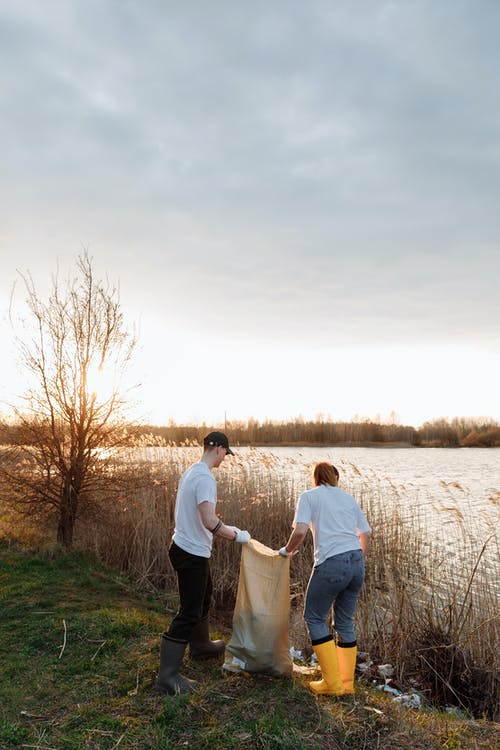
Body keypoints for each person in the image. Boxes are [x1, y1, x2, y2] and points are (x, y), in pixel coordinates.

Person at [156, 431, 251, 695]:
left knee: (204, 597)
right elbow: (210, 521)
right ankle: (167, 677)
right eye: (225, 454)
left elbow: (204, 518)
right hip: (191, 552)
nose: (225, 459)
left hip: (187, 548)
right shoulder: (205, 477)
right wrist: (236, 535)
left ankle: (201, 646)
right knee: (188, 611)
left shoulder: (193, 471)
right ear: (219, 449)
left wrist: (228, 528)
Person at [279, 461, 371, 696]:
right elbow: (366, 533)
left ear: (316, 478)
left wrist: (286, 551)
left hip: (332, 562)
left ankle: (331, 684)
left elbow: (300, 531)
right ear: (335, 478)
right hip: (357, 561)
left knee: (314, 617)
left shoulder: (309, 496)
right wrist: (357, 559)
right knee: (344, 621)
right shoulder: (348, 498)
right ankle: (346, 684)